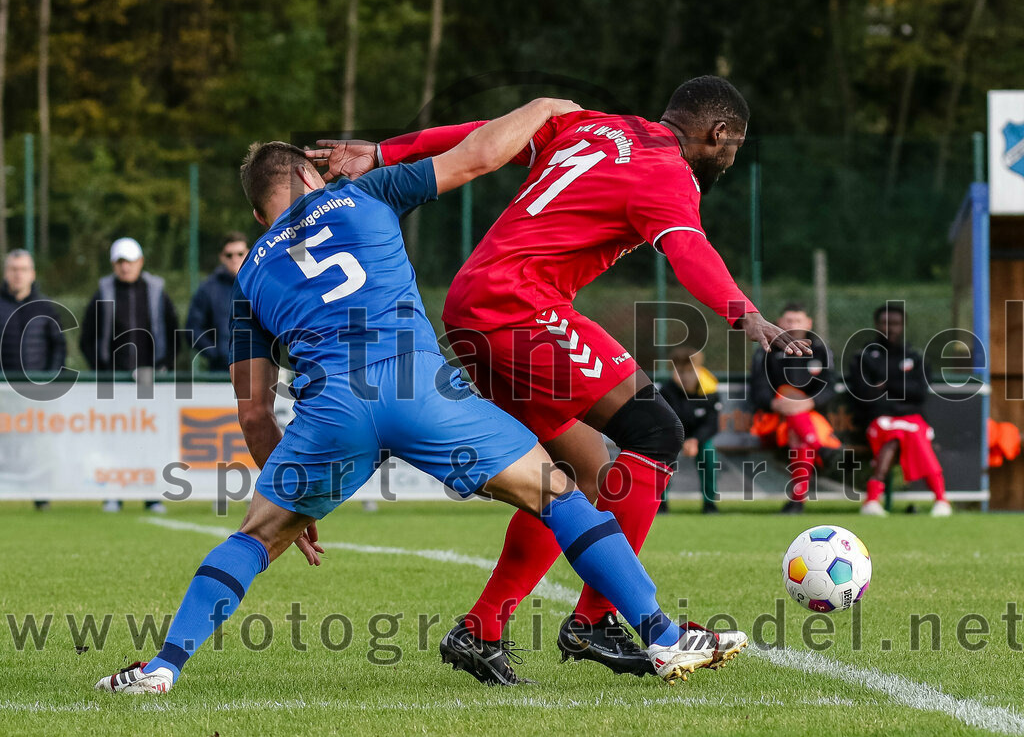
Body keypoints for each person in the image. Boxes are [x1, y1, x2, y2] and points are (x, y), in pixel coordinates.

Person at [95, 98, 748, 696]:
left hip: (332, 415)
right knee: (558, 491)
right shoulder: (365, 193)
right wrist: (544, 109)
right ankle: (661, 636)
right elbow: (478, 156)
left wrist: (291, 489)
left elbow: (253, 410)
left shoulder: (251, 274)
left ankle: (162, 667)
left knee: (255, 538)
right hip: (420, 389)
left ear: (257, 212)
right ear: (307, 178)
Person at [309, 75, 808, 683]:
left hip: (474, 302)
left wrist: (388, 150)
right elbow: (689, 252)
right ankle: (598, 621)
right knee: (655, 429)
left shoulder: (595, 125)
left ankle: (482, 629)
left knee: (578, 471)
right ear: (719, 133)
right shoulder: (667, 172)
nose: (731, 158)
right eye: (734, 148)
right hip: (521, 306)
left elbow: (484, 137)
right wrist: (749, 318)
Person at [80, 237, 179, 514]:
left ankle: (152, 495)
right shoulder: (103, 290)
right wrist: (102, 371)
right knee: (114, 440)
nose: (126, 267)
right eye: (121, 262)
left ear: (141, 262)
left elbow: (174, 333)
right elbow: (87, 338)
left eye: (131, 261)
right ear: (114, 264)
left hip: (151, 382)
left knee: (152, 440)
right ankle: (114, 493)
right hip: (113, 384)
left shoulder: (157, 290)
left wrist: (162, 368)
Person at [845, 304, 951, 517]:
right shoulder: (864, 356)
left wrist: (886, 384)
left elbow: (919, 392)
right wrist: (900, 390)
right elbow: (864, 394)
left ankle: (873, 499)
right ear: (876, 325)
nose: (889, 328)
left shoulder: (914, 356)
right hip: (879, 420)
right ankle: (941, 498)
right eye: (884, 323)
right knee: (896, 435)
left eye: (894, 323)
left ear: (903, 326)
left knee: (909, 432)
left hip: (911, 419)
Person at [749, 303, 839, 514]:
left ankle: (797, 501)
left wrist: (808, 403)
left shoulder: (820, 351)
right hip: (772, 421)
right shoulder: (766, 350)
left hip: (809, 420)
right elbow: (758, 389)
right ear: (779, 323)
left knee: (798, 433)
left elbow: (829, 387)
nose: (793, 325)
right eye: (788, 321)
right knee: (787, 402)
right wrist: (776, 403)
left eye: (798, 320)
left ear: (808, 323)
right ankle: (819, 450)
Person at [0, 249, 67, 510]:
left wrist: (48, 379)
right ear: (6, 273)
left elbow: (58, 347)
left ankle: (41, 496)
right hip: (3, 391)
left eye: (23, 269)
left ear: (32, 274)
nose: (18, 275)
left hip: (36, 393)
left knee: (38, 444)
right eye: (13, 269)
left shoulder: (46, 307)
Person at [657, 346, 722, 514]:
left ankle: (710, 503)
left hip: (698, 438)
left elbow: (712, 424)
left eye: (688, 371)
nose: (684, 376)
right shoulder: (667, 391)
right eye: (679, 371)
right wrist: (680, 439)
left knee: (708, 452)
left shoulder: (710, 390)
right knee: (661, 453)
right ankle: (660, 503)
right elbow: (665, 421)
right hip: (673, 437)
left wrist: (695, 440)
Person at [186, 231, 250, 373]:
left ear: (248, 253)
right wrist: (216, 354)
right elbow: (193, 329)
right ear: (222, 257)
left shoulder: (259, 284)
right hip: (220, 371)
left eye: (240, 254)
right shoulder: (208, 289)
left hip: (258, 368)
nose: (234, 259)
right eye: (229, 255)